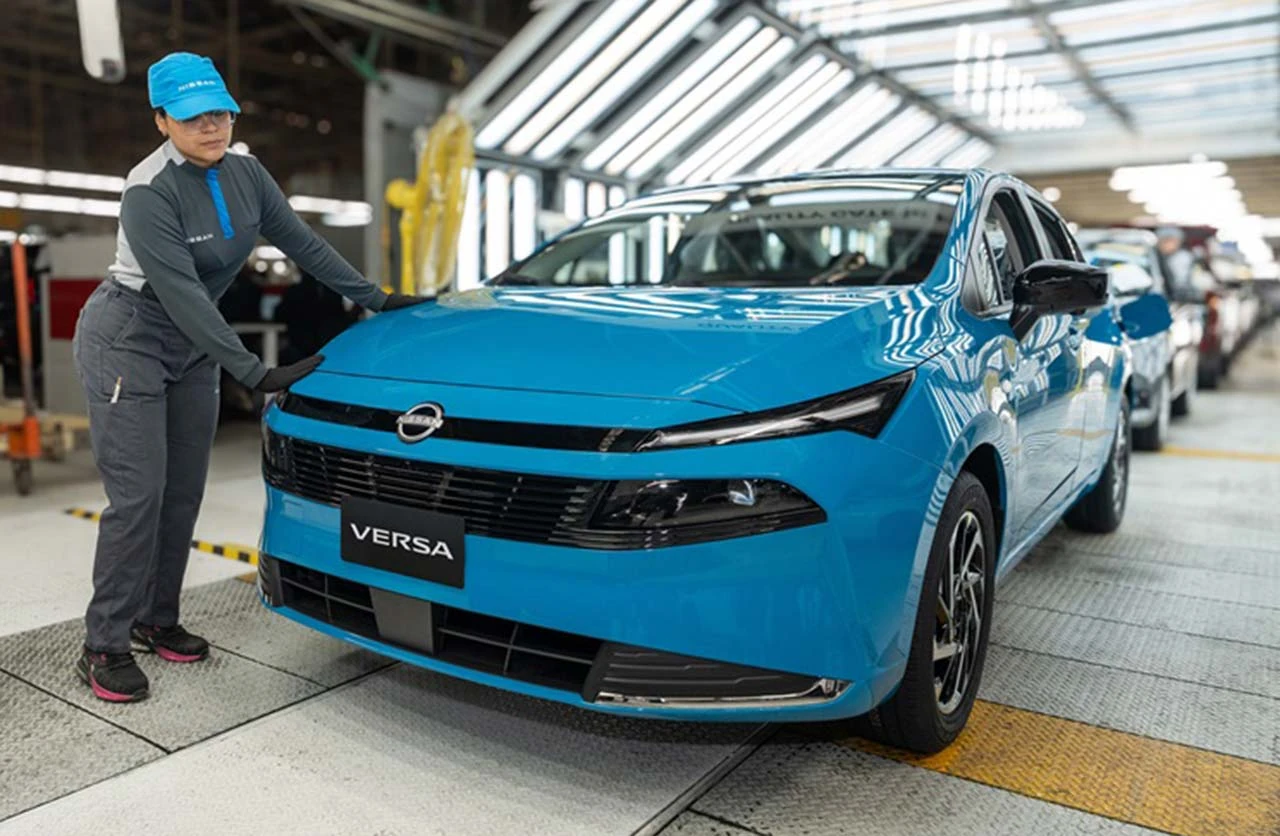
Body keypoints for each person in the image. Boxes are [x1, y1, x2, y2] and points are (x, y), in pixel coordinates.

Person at [71, 52, 424, 702]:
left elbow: (303, 243)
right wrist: (255, 372)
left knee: (183, 494)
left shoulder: (246, 172)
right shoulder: (147, 191)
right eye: (192, 117)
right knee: (139, 496)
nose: (211, 126)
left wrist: (375, 298)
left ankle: (156, 618)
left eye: (220, 113)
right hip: (130, 336)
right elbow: (182, 295)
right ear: (161, 121)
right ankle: (104, 645)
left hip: (193, 343)